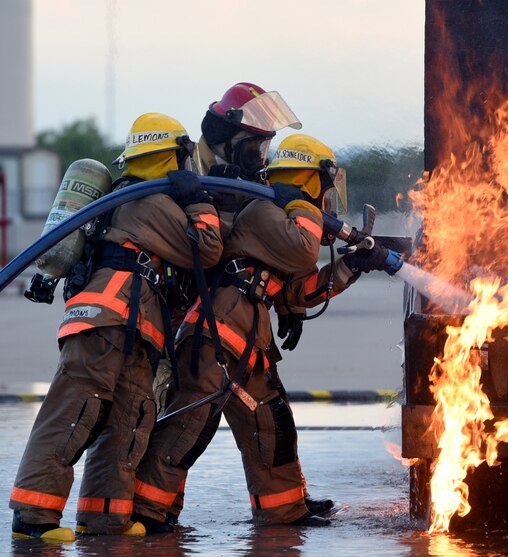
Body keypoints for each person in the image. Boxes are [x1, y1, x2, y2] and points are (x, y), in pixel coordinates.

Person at [132, 99, 390, 529]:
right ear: (309, 178)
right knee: (188, 427)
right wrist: (305, 210)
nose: (328, 195)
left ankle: (284, 509)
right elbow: (303, 249)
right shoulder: (267, 211)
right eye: (324, 183)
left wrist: (350, 267)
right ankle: (146, 511)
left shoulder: (281, 213)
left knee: (270, 423)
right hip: (218, 336)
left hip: (248, 341)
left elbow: (295, 293)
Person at [9, 113, 223, 539]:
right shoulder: (150, 203)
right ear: (173, 156)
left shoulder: (135, 200)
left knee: (130, 420)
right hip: (105, 321)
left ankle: (105, 518)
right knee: (74, 413)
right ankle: (32, 519)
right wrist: (198, 200)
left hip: (134, 328)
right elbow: (209, 249)